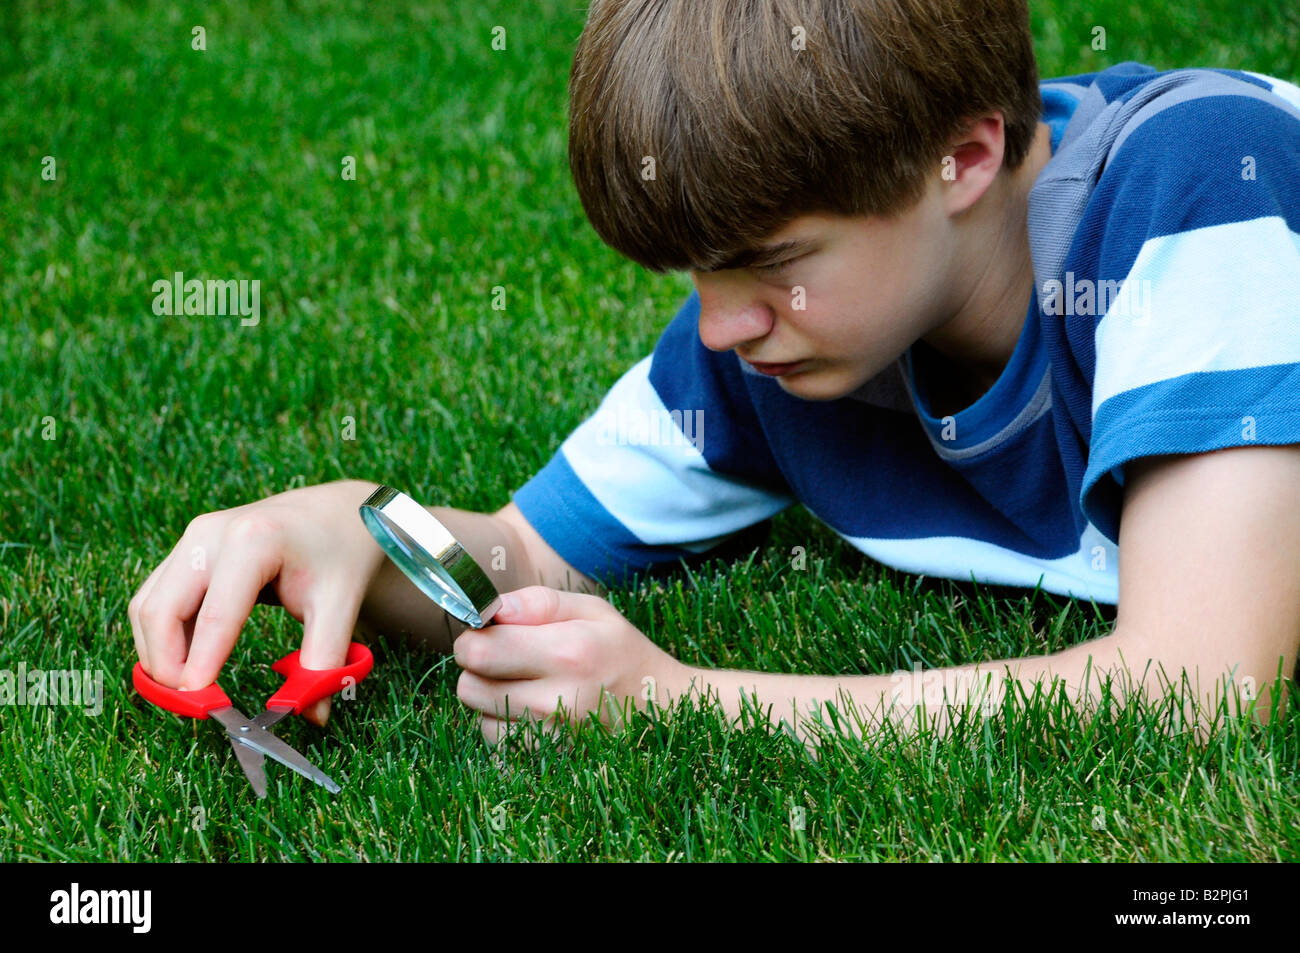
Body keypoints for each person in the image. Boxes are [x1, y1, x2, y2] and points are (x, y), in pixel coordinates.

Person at [130, 0, 1300, 748]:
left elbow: (1204, 680)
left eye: (770, 263)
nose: (721, 324)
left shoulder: (1198, 189)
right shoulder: (774, 344)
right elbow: (527, 557)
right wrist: (355, 526)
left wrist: (684, 697)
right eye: (695, 270)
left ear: (964, 154)